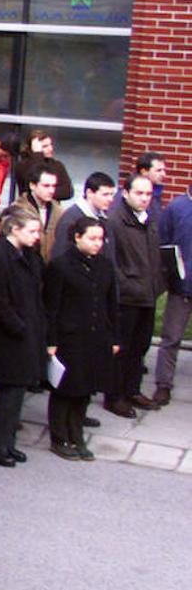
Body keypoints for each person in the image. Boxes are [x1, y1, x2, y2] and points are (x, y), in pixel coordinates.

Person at [44, 220, 118, 460]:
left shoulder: (105, 266)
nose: (97, 244)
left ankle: (77, 435)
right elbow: (52, 306)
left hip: (95, 336)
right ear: (77, 237)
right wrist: (51, 340)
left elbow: (110, 304)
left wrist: (113, 336)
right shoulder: (61, 266)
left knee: (85, 388)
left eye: (100, 239)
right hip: (70, 337)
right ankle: (59, 437)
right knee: (66, 388)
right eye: (92, 238)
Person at [0, 211, 45, 466]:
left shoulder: (27, 255)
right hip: (9, 336)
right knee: (8, 392)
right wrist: (19, 326)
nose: (36, 237)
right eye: (31, 231)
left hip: (24, 331)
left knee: (16, 393)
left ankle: (7, 443)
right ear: (14, 229)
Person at [105, 174, 164, 418]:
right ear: (126, 193)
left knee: (140, 346)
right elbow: (112, 260)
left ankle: (132, 390)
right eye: (139, 193)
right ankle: (115, 395)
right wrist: (126, 284)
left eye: (148, 194)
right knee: (123, 348)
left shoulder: (149, 219)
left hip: (147, 294)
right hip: (128, 296)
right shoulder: (116, 221)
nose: (144, 199)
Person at [154, 179, 192, 407]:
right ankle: (163, 385)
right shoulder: (176, 208)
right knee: (171, 337)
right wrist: (173, 278)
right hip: (181, 288)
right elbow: (164, 245)